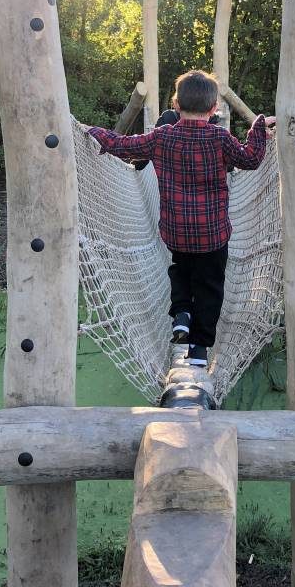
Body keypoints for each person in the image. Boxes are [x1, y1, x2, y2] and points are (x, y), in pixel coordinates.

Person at [86, 70, 275, 366]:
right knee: (210, 287)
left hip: (177, 232)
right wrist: (259, 127)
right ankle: (199, 350)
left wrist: (95, 132)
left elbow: (125, 146)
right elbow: (251, 158)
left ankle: (182, 315)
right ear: (214, 109)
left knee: (180, 271)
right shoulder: (220, 137)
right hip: (212, 234)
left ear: (175, 104)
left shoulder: (163, 136)